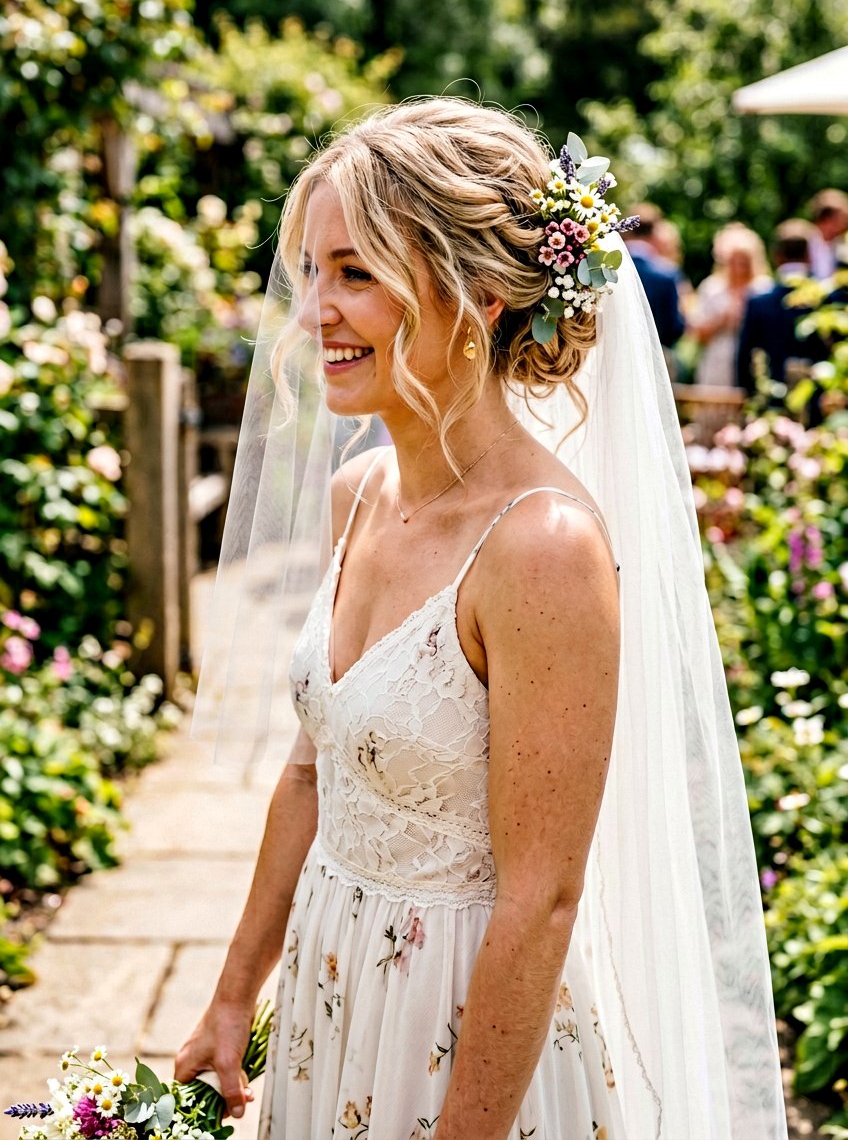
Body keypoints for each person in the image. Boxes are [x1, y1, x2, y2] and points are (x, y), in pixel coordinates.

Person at [179, 100, 787, 1139]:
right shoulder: (359, 494)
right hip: (333, 1003)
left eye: (356, 273)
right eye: (313, 268)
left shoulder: (539, 548)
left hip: (456, 1036)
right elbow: (306, 771)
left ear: (484, 296)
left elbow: (541, 899)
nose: (315, 307)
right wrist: (235, 994)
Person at [736, 219, 821, 394]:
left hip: (771, 402)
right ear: (809, 256)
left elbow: (744, 358)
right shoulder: (827, 301)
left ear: (777, 256)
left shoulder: (759, 302)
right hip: (818, 405)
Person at [688, 222, 772, 388]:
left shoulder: (764, 289)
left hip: (754, 366)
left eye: (744, 261)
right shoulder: (712, 288)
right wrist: (722, 320)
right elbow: (696, 333)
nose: (739, 268)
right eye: (733, 261)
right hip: (716, 366)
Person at [623, 203, 684, 354]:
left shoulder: (603, 269)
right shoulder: (667, 274)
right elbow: (674, 327)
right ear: (654, 231)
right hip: (655, 355)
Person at [807, 188, 848, 280]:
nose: (846, 222)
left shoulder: (843, 243)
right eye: (843, 217)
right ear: (827, 219)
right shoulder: (805, 241)